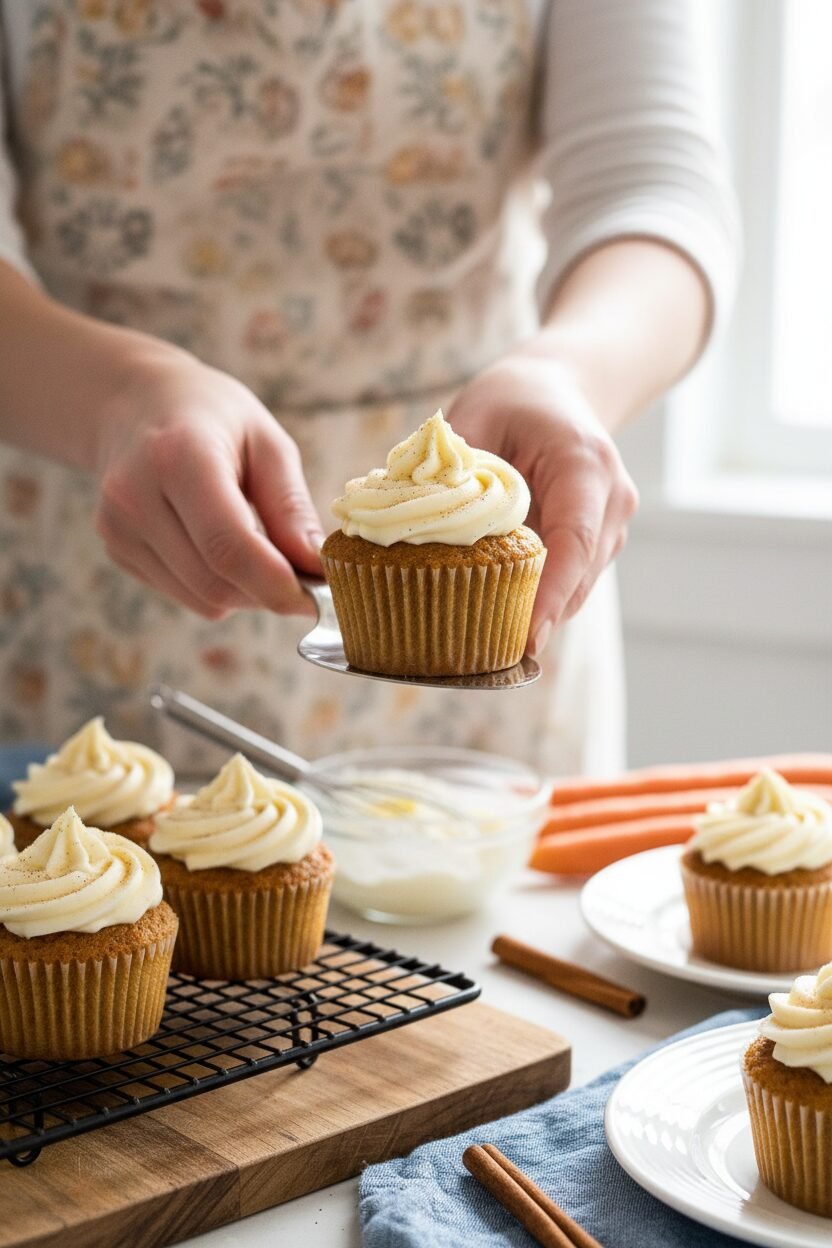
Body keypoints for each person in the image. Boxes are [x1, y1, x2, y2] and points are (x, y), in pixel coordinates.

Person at [0, 1, 738, 776]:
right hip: (105, 553)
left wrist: (569, 375)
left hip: (484, 542)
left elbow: (655, 186)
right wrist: (122, 398)